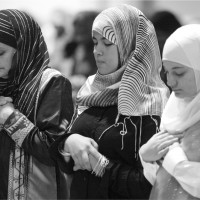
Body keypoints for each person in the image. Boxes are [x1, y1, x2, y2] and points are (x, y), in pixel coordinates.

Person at [50, 4, 168, 199]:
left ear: (130, 45)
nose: (97, 50)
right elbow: (67, 162)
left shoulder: (152, 104)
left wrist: (101, 167)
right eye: (95, 42)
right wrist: (68, 142)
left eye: (107, 42)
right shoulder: (91, 91)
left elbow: (149, 186)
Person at [0, 9, 74, 199]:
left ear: (22, 48)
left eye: (1, 53)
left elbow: (54, 150)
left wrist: (9, 117)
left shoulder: (51, 83)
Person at [139, 24, 200, 199]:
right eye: (167, 73)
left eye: (179, 73)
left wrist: (173, 161)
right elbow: (161, 180)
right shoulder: (174, 109)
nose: (171, 82)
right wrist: (147, 158)